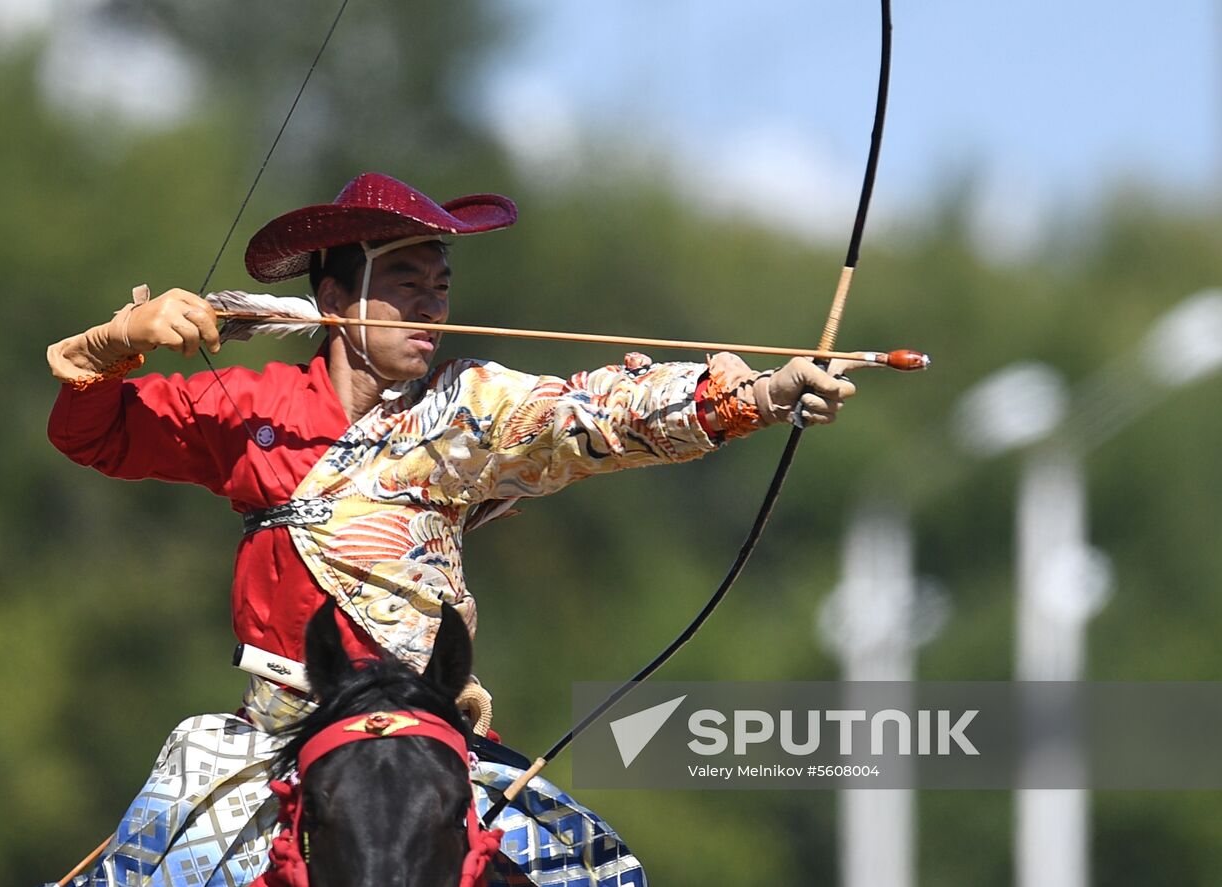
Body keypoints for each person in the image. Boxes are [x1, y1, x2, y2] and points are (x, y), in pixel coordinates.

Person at [45, 172, 856, 887]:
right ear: (335, 301)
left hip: (437, 737)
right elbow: (93, 432)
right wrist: (114, 343)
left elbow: (596, 412)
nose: (431, 301)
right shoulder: (254, 408)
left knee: (610, 876)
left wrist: (767, 393)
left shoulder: (467, 408)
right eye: (405, 280)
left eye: (440, 283)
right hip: (277, 737)